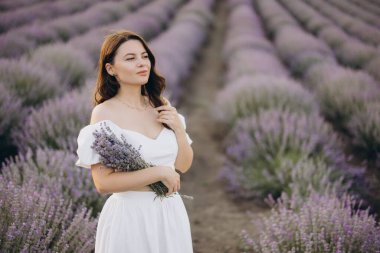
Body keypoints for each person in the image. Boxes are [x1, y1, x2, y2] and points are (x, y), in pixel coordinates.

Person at [75, 29, 194, 253]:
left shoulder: (160, 103)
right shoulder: (104, 114)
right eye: (130, 58)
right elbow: (103, 183)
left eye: (144, 56)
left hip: (170, 213)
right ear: (111, 69)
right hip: (130, 218)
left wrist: (178, 128)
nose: (142, 63)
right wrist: (159, 173)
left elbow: (183, 166)